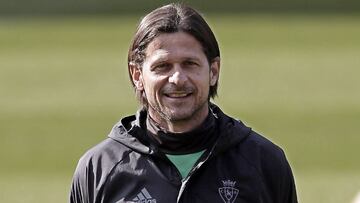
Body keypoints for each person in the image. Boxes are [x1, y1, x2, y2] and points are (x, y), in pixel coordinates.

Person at [69, 3, 297, 203]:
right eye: (162, 66)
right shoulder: (99, 169)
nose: (177, 78)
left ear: (213, 72)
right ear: (137, 75)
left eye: (189, 64)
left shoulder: (264, 162)